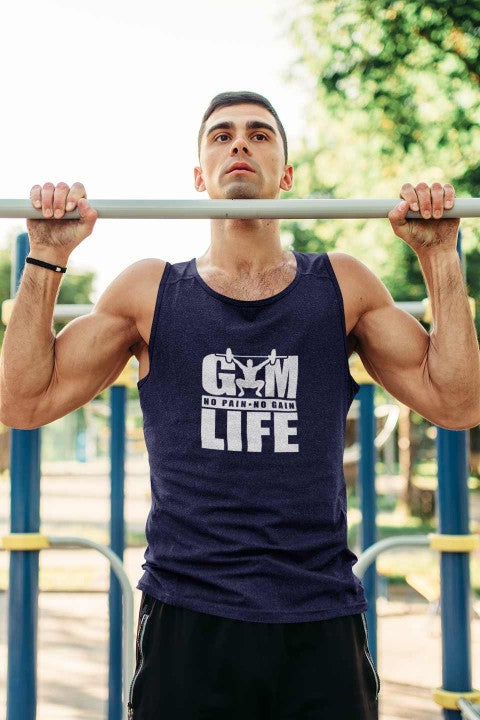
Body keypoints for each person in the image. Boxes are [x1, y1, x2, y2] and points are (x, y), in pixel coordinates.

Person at [1, 90, 478, 720]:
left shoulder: (342, 284)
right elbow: (23, 400)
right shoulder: (150, 289)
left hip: (318, 612)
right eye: (221, 136)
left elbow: (459, 401)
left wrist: (440, 257)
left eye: (259, 134)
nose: (240, 145)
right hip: (189, 614)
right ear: (200, 175)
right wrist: (47, 256)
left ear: (286, 174)